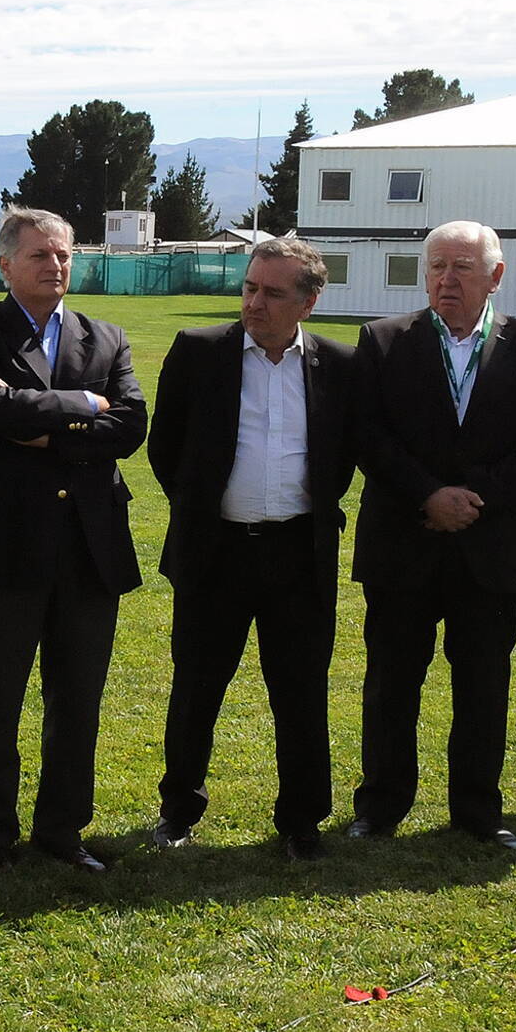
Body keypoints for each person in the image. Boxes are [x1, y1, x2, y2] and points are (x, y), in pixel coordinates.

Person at [347, 221, 516, 851]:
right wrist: (427, 496)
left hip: (491, 548)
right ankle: (380, 806)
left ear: (496, 276)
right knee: (391, 681)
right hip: (403, 542)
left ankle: (478, 811)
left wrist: (473, 500)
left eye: (463, 267)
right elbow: (367, 434)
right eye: (437, 266)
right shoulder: (384, 341)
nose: (447, 278)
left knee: (483, 684)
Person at [0, 208, 146, 873]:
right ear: (5, 264)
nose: (54, 266)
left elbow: (132, 425)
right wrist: (86, 406)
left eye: (63, 255)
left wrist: (48, 430)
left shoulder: (106, 337)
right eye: (39, 255)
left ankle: (62, 828)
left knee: (77, 701)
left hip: (88, 550)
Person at [146, 237, 354, 861]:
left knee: (300, 690)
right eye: (249, 288)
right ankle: (178, 809)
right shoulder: (199, 351)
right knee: (197, 687)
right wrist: (201, 510)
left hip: (298, 554)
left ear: (309, 301)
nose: (254, 304)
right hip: (217, 552)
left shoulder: (338, 365)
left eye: (273, 293)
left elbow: (343, 453)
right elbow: (166, 448)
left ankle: (301, 822)